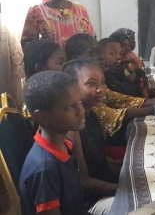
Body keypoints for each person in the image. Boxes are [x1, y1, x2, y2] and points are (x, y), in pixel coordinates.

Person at [65, 34, 155, 138]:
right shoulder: (81, 91)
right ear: (77, 57)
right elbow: (113, 115)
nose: (100, 56)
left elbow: (123, 99)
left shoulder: (103, 76)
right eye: (94, 52)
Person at [19, 71, 89, 215]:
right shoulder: (44, 168)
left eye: (80, 103)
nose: (81, 111)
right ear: (42, 117)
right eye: (70, 107)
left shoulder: (66, 145)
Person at [64, 59, 118, 214]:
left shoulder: (92, 115)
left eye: (102, 82)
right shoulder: (72, 127)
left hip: (104, 186)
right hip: (89, 202)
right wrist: (125, 189)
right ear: (73, 88)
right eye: (91, 84)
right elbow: (84, 182)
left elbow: (100, 159)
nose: (101, 89)